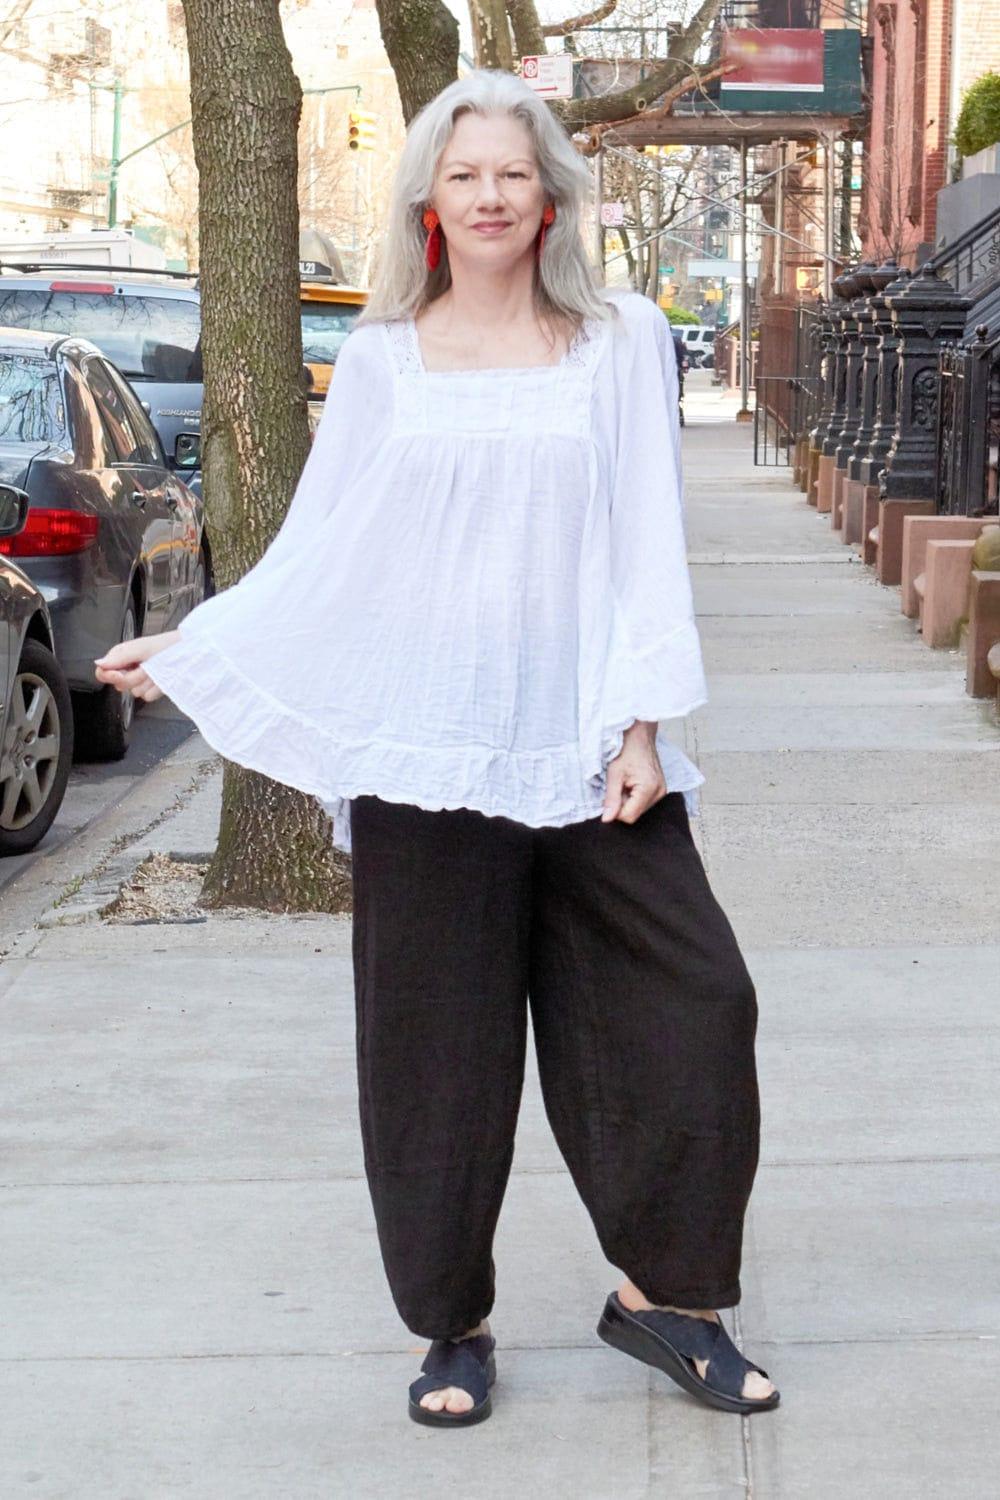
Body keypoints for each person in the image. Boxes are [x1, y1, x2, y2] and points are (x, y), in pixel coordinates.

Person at [95, 69, 779, 1427]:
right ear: (428, 198)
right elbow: (325, 556)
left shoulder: (620, 339)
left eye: (512, 175)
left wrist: (643, 721)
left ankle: (668, 1297)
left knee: (696, 1009)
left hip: (589, 749)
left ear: (550, 198)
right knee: (435, 1052)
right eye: (464, 175)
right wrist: (202, 645)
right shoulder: (386, 365)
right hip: (425, 748)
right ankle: (451, 1328)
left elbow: (647, 539)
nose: (488, 196)